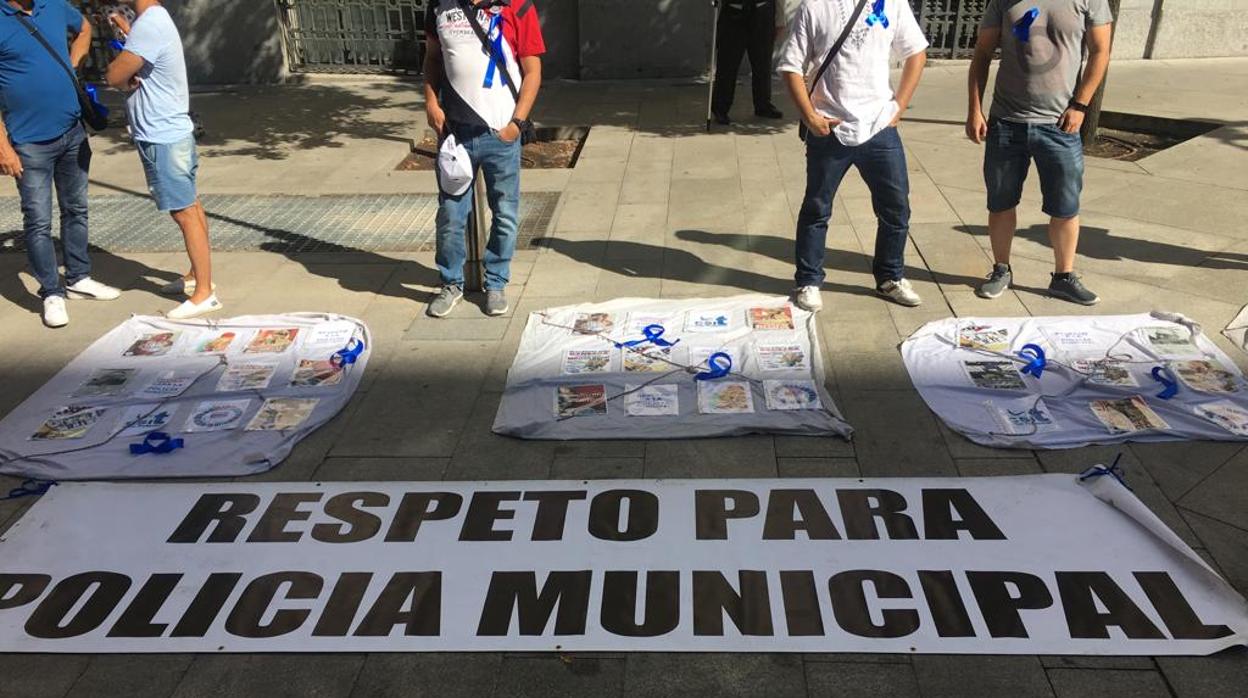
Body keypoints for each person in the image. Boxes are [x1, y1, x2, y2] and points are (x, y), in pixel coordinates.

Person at [777, 0, 929, 312]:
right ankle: (808, 280)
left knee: (896, 208)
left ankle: (890, 277)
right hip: (830, 127)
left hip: (879, 126)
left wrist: (899, 105)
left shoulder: (893, 3)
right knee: (817, 208)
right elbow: (790, 65)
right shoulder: (814, 7)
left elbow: (916, 52)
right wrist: (809, 116)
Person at [966, 0, 1113, 305]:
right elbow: (982, 54)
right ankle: (1001, 270)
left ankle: (1063, 277)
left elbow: (1100, 51)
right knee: (1001, 202)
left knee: (1065, 206)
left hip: (1060, 125)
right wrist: (975, 110)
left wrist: (1081, 105)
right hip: (1007, 122)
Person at [0, 0, 120, 328]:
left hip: (72, 132)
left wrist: (72, 62)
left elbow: (83, 27)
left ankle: (79, 277)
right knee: (38, 222)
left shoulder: (52, 5)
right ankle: (52, 292)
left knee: (76, 209)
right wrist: (3, 148)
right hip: (27, 143)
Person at [423, 0, 545, 318]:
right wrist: (431, 104)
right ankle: (450, 284)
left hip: (501, 133)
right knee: (450, 217)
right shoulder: (439, 6)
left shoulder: (518, 7)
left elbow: (533, 71)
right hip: (455, 133)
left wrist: (516, 124)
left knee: (504, 215)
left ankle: (496, 283)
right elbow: (433, 59)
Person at [105, 0, 218, 319]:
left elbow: (114, 75)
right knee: (189, 206)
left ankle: (204, 292)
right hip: (166, 132)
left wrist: (116, 69)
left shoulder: (150, 23)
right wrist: (128, 36)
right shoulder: (149, 23)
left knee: (184, 212)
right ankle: (197, 275)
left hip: (163, 136)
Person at [711, 0, 785, 125]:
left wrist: (780, 19)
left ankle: (763, 105)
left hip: (763, 11)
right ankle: (720, 108)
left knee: (762, 62)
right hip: (733, 12)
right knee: (727, 62)